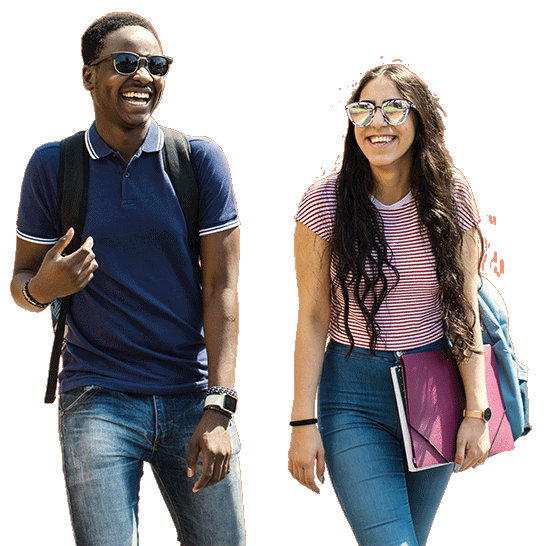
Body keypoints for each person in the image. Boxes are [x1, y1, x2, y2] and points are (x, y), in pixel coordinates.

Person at [11, 13, 244, 546]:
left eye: (155, 65)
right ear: (89, 76)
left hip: (192, 397)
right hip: (97, 400)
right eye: (125, 63)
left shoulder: (198, 160)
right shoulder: (54, 166)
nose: (143, 75)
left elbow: (222, 289)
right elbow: (21, 281)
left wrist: (220, 406)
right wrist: (43, 290)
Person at [288, 64, 490, 546]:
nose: (377, 121)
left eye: (394, 107)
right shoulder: (324, 204)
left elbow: (464, 306)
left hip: (433, 391)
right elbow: (314, 318)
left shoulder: (451, 193)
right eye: (364, 109)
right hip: (353, 397)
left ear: (420, 120)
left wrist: (476, 411)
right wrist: (301, 421)